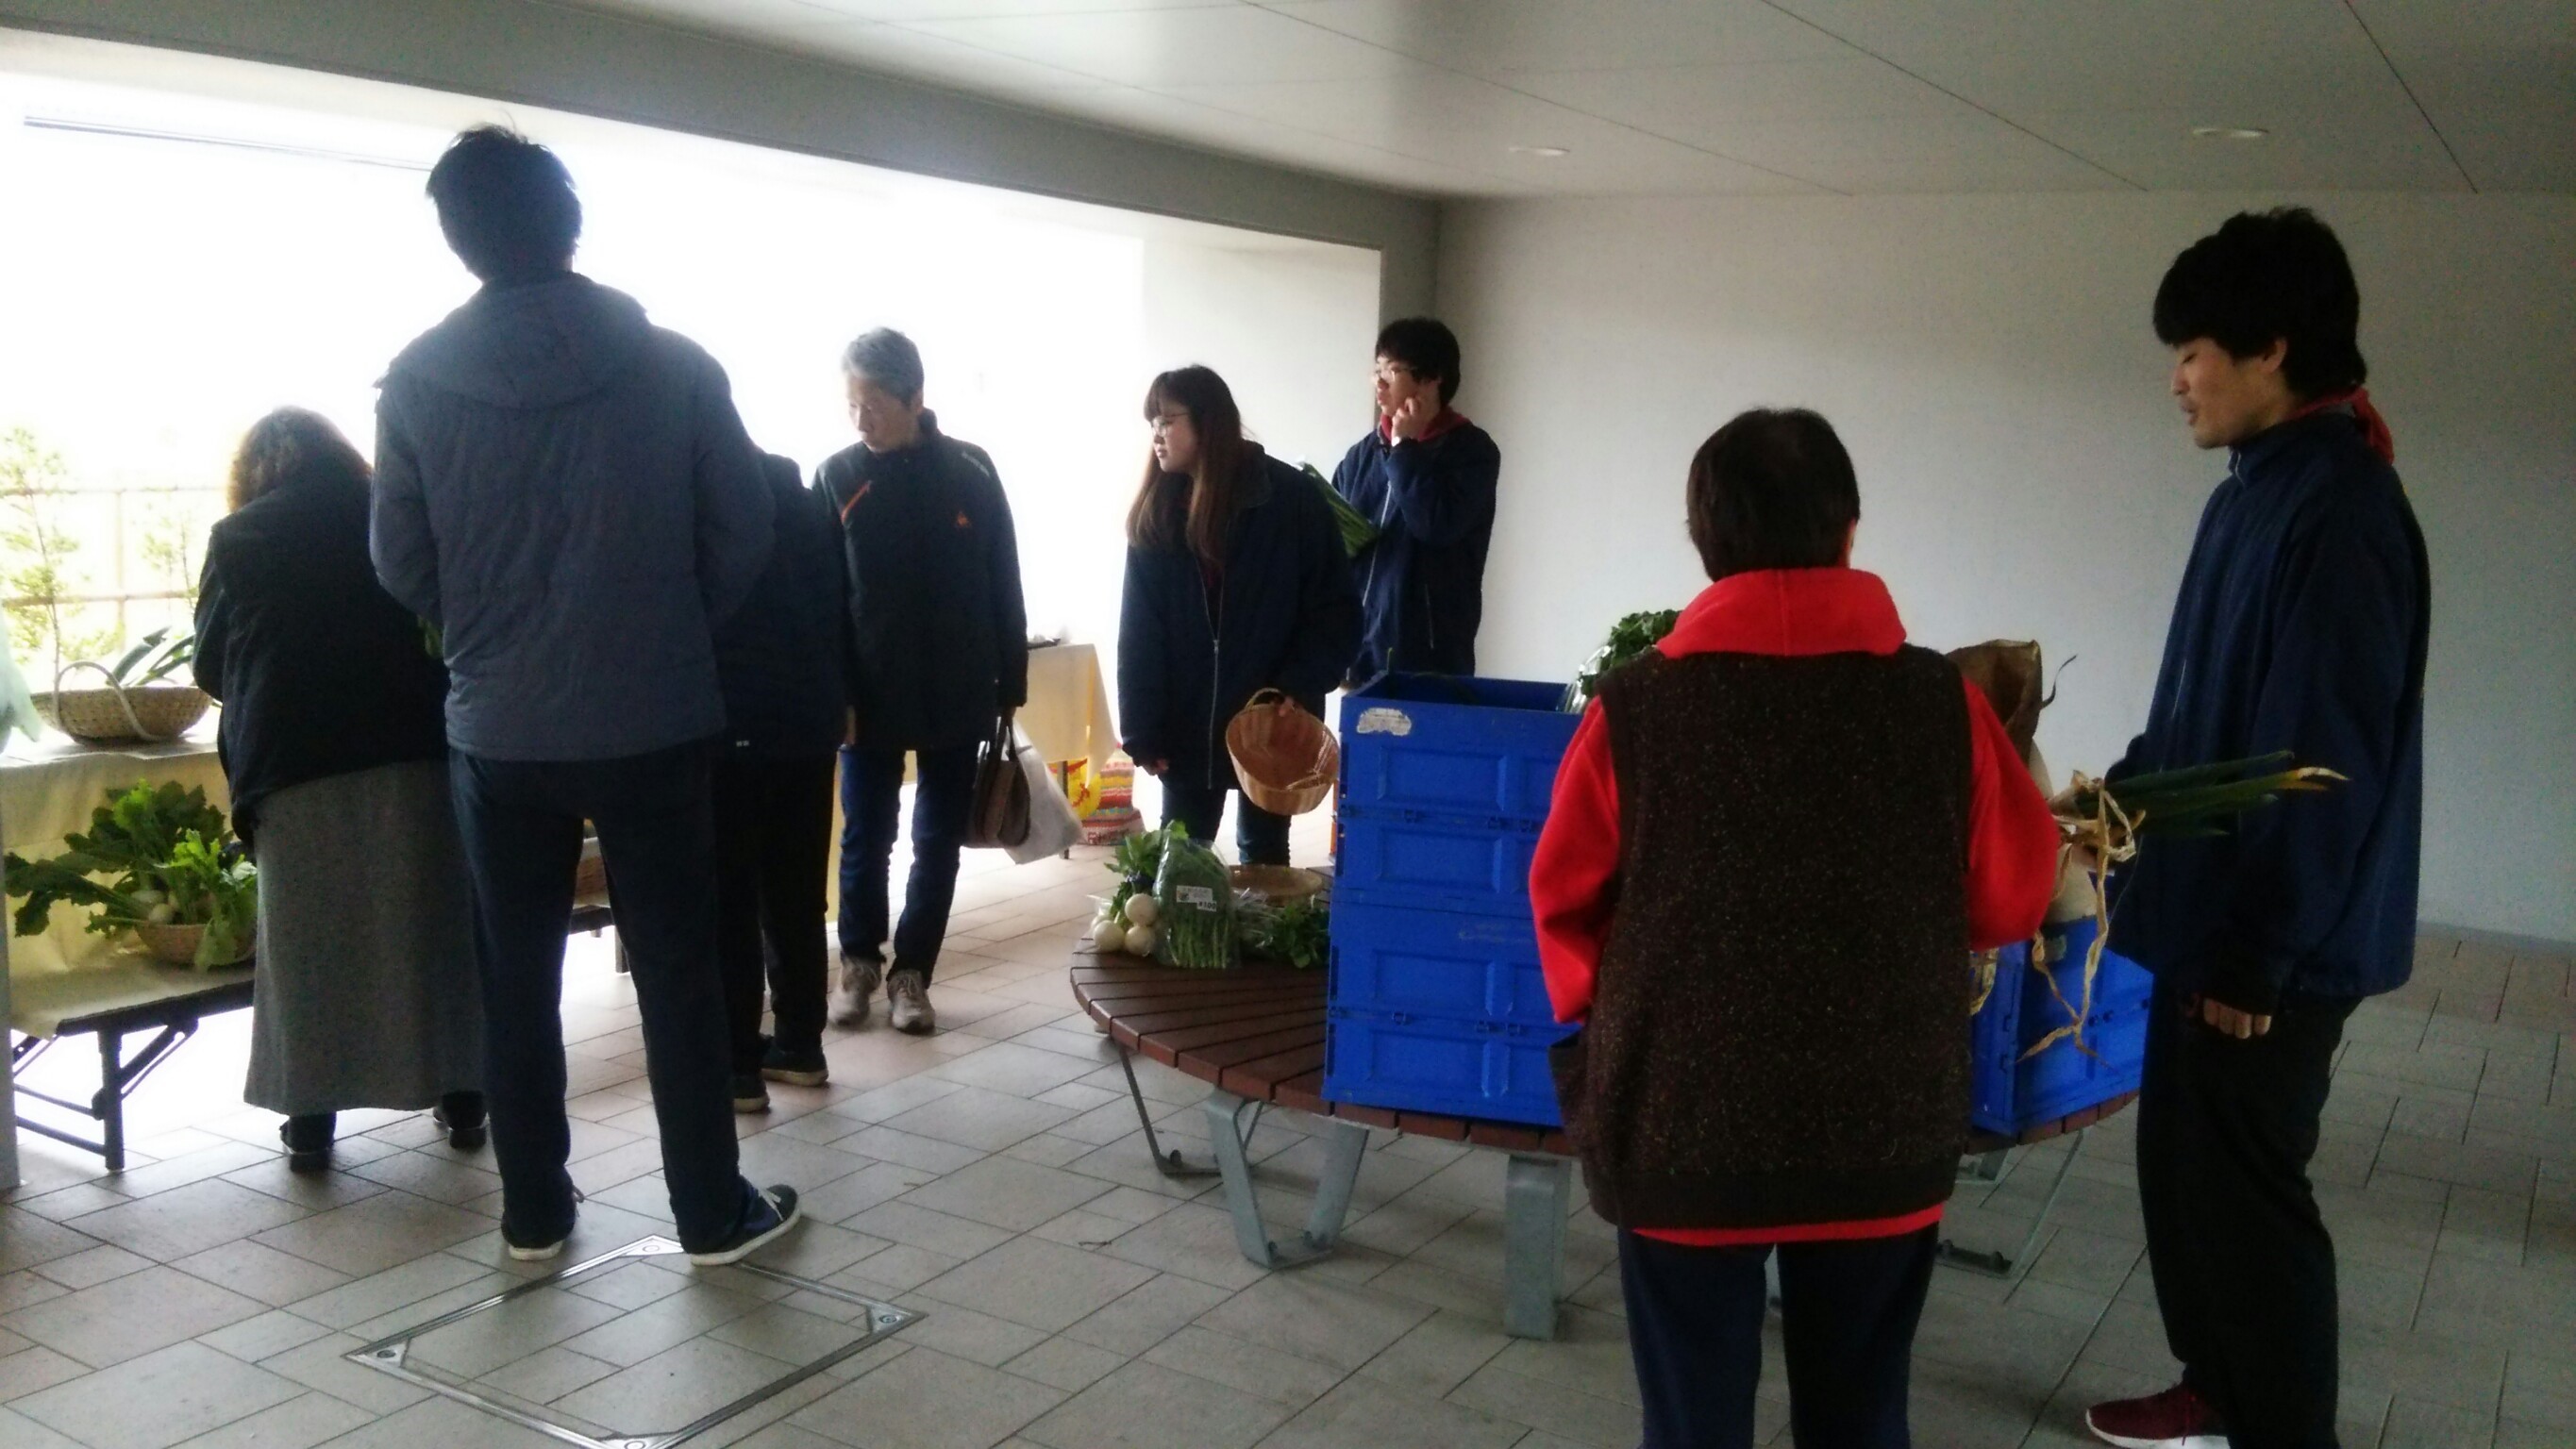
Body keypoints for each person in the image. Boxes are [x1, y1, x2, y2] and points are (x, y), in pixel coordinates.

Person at [1531, 408, 2059, 1449]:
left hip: (1681, 1123)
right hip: (1883, 1123)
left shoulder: (1632, 708)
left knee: (1691, 1424)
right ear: (1850, 532)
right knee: (1861, 1416)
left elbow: (1563, 902)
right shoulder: (1942, 703)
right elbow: (2011, 901)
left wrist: (1638, 1011)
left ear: (1703, 544)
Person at [372, 125, 800, 1268]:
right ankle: (709, 1211)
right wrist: (672, 624)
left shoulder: (415, 383)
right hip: (656, 714)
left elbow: (398, 560)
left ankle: (534, 1214)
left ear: (457, 239)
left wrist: (484, 631)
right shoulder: (674, 365)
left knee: (514, 976)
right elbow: (745, 527)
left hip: (498, 727)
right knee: (677, 968)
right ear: (571, 221)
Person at [2083, 208, 2429, 1449]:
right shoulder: (2256, 492)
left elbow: (2323, 760)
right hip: (2205, 908)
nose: (2178, 379)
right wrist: (2112, 803)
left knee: (2247, 1194)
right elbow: (2206, 708)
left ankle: (2279, 1425)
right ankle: (2216, 1389)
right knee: (2186, 1176)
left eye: (2193, 352)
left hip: (2268, 937)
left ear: (2271, 349)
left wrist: (2257, 954)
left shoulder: (2340, 510)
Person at [194, 408, 485, 1174]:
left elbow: (209, 665)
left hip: (294, 762)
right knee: (434, 930)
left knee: (309, 946)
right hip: (418, 746)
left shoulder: (240, 537)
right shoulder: (399, 517)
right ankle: (463, 1098)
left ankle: (312, 1122)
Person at [813, 329, 1026, 1036]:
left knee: (937, 840)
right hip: (868, 694)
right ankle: (857, 964)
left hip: (956, 688)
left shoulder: (971, 469)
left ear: (914, 399)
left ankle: (912, 975)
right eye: (851, 404)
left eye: (873, 404)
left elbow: (1003, 576)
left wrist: (1011, 683)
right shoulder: (837, 476)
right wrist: (835, 693)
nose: (861, 419)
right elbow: (822, 599)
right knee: (865, 836)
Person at [1119, 365, 1362, 864]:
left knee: (1264, 853)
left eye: (1167, 421)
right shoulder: (1158, 511)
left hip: (1273, 719)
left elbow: (1334, 609)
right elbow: (1139, 632)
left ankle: (1262, 922)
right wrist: (1142, 726)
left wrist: (1300, 683)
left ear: (1207, 423)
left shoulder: (1290, 498)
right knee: (1182, 858)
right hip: (1187, 722)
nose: (1157, 435)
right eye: (1152, 424)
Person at [713, 452, 847, 1112]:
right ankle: (800, 1044)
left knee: (730, 898)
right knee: (796, 893)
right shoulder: (802, 500)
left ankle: (738, 1065)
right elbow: (840, 604)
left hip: (731, 722)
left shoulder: (705, 503)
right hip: (809, 724)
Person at [1330, 317, 1501, 683]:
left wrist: (1404, 449)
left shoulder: (1472, 452)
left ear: (1431, 378)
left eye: (1392, 372)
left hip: (1429, 656)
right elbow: (1333, 546)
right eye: (1377, 370)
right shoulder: (1361, 455)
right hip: (1358, 651)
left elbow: (1435, 525)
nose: (1379, 383)